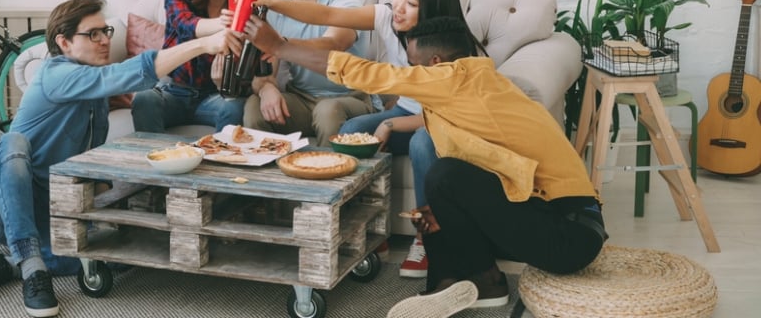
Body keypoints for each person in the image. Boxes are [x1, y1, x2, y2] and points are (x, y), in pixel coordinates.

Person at [247, 16, 606, 310]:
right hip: (557, 222)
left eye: (414, 66)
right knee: (440, 189)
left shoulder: (454, 79)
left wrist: (279, 47)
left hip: (568, 238)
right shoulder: (477, 84)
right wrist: (388, 124)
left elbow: (364, 72)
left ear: (436, 66)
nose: (410, 73)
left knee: (446, 175)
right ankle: (472, 282)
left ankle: (471, 280)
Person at [0, 0, 227, 317]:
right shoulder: (56, 75)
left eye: (105, 31)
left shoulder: (95, 95)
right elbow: (130, 74)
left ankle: (7, 265)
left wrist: (115, 211)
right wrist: (203, 44)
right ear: (63, 42)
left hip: (51, 205)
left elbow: (90, 156)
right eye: (93, 34)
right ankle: (32, 268)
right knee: (13, 142)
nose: (105, 40)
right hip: (1, 205)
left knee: (116, 255)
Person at [248, 0, 472, 279]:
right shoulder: (386, 17)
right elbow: (327, 15)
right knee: (352, 131)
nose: (399, 8)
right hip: (404, 112)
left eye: (411, 4)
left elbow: (445, 116)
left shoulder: (450, 49)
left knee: (423, 143)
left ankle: (427, 237)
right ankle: (361, 228)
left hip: (440, 124)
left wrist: (389, 124)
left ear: (433, 10)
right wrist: (270, 1)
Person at [239, 0, 373, 147]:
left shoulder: (346, 5)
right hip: (301, 99)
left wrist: (280, 44)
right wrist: (266, 88)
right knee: (254, 106)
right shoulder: (273, 14)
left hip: (350, 99)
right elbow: (264, 71)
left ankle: (328, 179)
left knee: (328, 110)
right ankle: (268, 180)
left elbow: (334, 44)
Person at [132, 0, 252, 133]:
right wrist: (224, 24)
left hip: (214, 95)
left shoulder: (247, 5)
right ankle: (158, 160)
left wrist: (226, 82)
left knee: (234, 106)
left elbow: (249, 70)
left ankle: (221, 162)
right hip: (173, 90)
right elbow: (185, 24)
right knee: (144, 99)